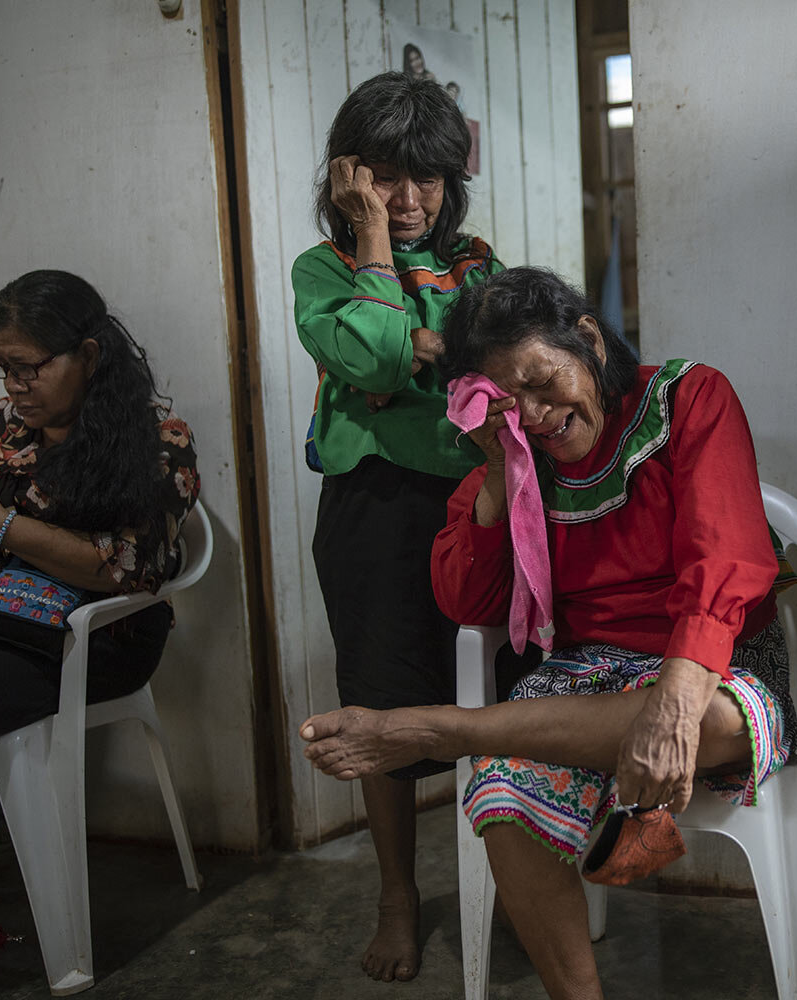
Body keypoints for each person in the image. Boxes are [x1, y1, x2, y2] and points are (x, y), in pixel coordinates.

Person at [299, 267, 797, 1000]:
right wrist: (500, 475)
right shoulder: (517, 457)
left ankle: (445, 729)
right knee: (505, 793)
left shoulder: (688, 398)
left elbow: (725, 560)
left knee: (712, 717)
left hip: (715, 666)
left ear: (587, 339)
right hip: (585, 673)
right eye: (507, 402)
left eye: (542, 382)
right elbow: (468, 599)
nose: (533, 414)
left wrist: (672, 703)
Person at [0, 270, 198, 997]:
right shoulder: (1, 428)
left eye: (32, 365)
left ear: (87, 354)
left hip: (92, 638)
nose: (16, 383)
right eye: (4, 365)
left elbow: (125, 571)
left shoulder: (156, 440)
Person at [291, 70, 515, 983]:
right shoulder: (322, 270)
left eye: (426, 178)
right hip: (372, 511)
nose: (410, 198)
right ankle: (397, 893)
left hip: (474, 504)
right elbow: (383, 354)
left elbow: (485, 365)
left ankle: (519, 868)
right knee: (378, 702)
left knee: (500, 695)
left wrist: (420, 352)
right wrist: (382, 259)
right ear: (349, 176)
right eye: (385, 176)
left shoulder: (480, 267)